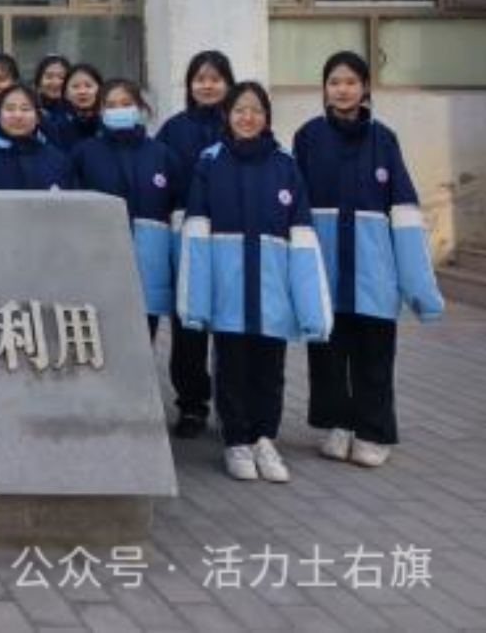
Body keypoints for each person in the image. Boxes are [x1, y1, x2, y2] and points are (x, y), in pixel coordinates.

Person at [294, 51, 444, 469]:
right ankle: (338, 425)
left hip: (374, 274)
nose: (342, 89)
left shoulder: (384, 140)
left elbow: (405, 213)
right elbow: (295, 207)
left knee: (373, 357)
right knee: (327, 355)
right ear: (325, 89)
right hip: (326, 271)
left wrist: (419, 287)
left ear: (364, 88)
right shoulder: (308, 137)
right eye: (334, 82)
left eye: (350, 82)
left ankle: (373, 432)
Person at [177, 81, 332, 484]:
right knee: (231, 368)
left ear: (267, 117)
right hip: (228, 290)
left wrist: (309, 306)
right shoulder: (210, 163)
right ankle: (236, 441)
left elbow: (302, 238)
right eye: (239, 110)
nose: (247, 117)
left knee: (270, 369)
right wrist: (196, 299)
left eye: (256, 110)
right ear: (227, 115)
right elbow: (195, 234)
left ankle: (265, 438)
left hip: (272, 291)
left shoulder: (285, 165)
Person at [154, 49, 234, 439]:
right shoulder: (173, 129)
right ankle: (191, 405)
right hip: (185, 238)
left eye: (215, 79)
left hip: (232, 238)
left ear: (228, 84)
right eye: (200, 79)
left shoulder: (240, 123)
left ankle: (233, 407)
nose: (207, 85)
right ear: (189, 85)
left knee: (233, 325)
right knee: (188, 325)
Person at [70, 79, 185, 329]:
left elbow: (177, 211)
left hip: (150, 266)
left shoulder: (162, 155)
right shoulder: (83, 154)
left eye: (125, 103)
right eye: (110, 105)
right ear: (100, 111)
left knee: (144, 336)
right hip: (98, 261)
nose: (118, 110)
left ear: (140, 107)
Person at [0, 85, 74, 191]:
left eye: (25, 109)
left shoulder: (58, 160)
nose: (18, 116)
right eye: (10, 109)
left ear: (38, 117)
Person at [48, 62, 105, 151]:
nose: (82, 91)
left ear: (100, 90)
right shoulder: (55, 128)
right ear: (66, 94)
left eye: (88, 86)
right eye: (75, 87)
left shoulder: (108, 123)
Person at [33, 54, 73, 138]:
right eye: (49, 77)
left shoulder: (76, 110)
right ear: (39, 81)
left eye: (61, 77)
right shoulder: (30, 109)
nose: (55, 82)